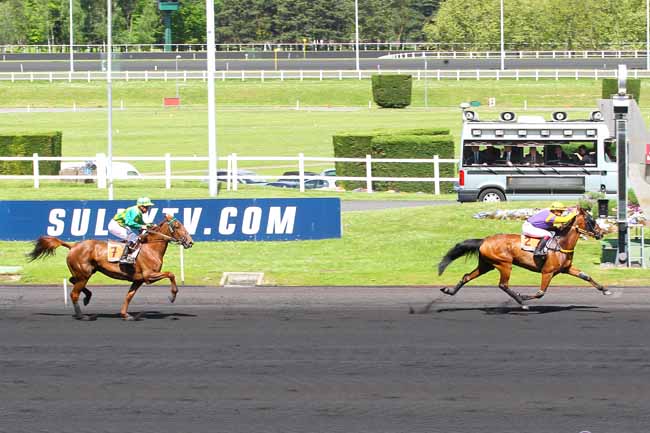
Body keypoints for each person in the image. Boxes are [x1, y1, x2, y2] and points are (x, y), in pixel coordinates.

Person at [108, 197, 155, 264]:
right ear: (141, 206)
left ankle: (129, 255)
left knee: (135, 238)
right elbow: (129, 223)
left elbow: (141, 223)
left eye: (148, 207)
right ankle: (123, 258)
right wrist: (142, 226)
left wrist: (149, 225)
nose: (148, 208)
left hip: (120, 225)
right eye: (146, 207)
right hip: (115, 225)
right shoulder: (135, 211)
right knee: (134, 238)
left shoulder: (138, 212)